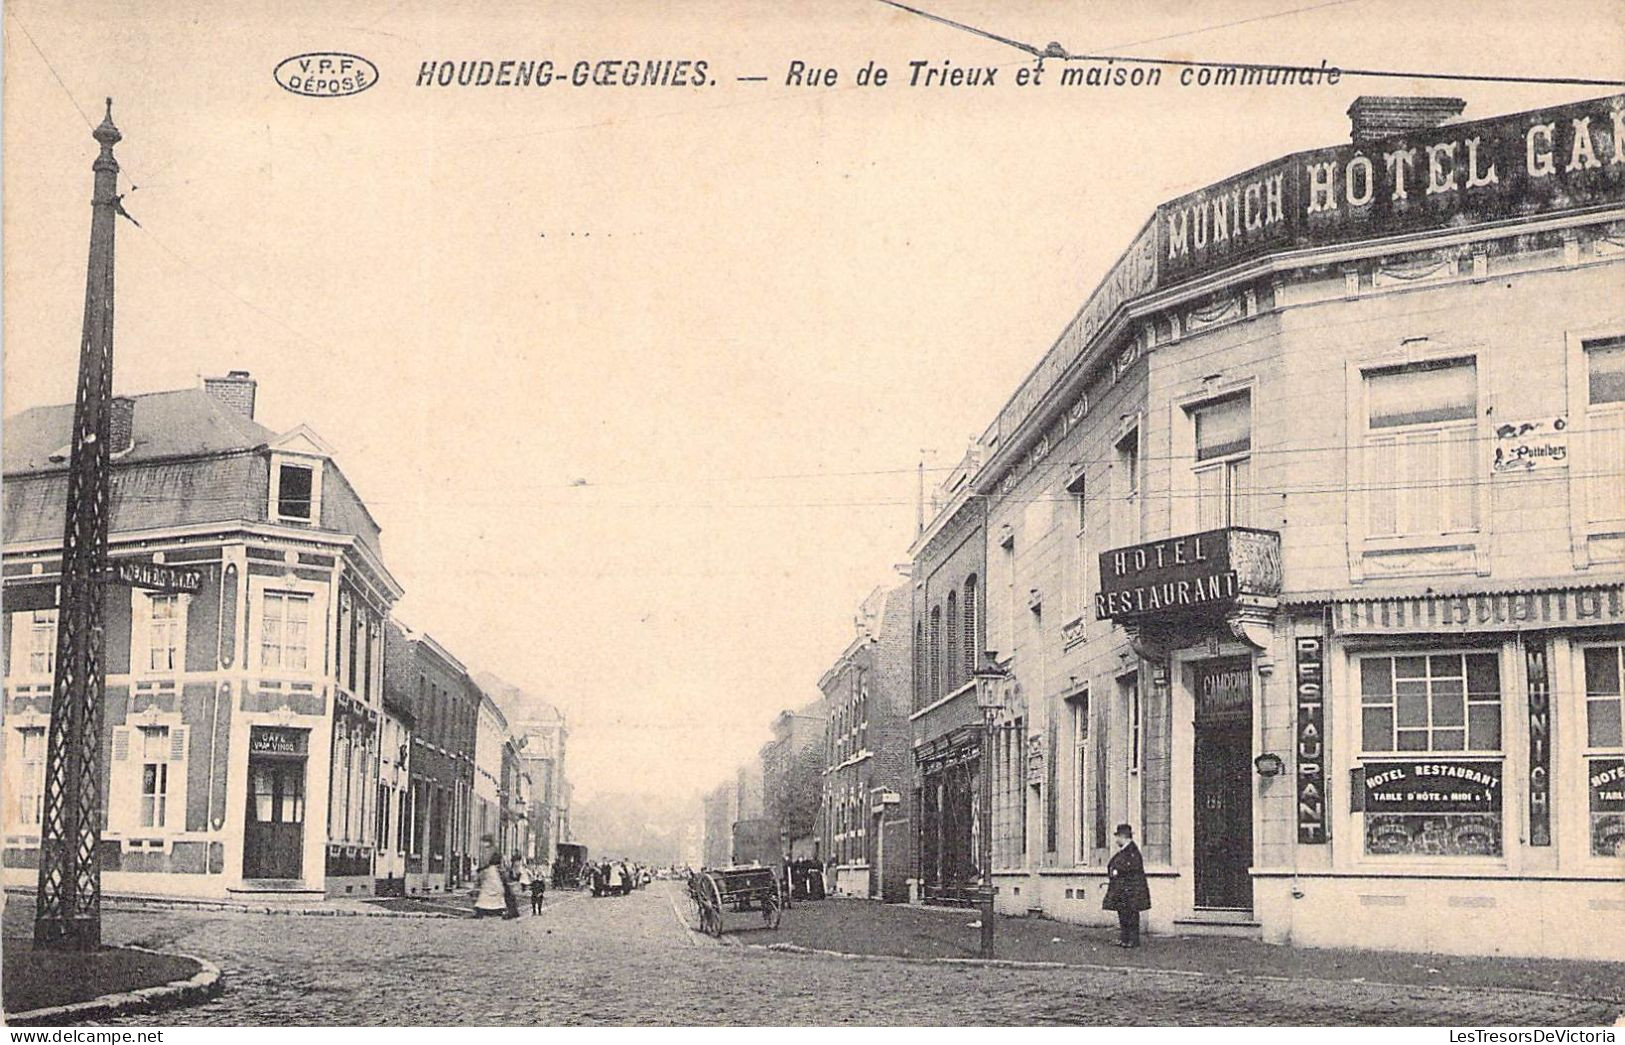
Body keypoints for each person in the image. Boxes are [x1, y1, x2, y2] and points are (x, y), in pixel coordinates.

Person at [1102, 822, 1151, 947]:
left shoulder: (1132, 851)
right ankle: (1125, 938)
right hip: (1123, 890)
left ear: (1123, 837)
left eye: (1117, 836)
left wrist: (1117, 871)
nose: (1116, 840)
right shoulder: (1125, 851)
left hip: (1131, 890)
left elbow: (1131, 868)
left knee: (1131, 914)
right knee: (1123, 913)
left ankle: (1133, 940)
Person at [471, 850, 509, 920]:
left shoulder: (487, 869)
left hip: (488, 888)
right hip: (497, 888)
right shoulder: (499, 869)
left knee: (484, 895)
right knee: (498, 895)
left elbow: (480, 878)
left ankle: (480, 910)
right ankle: (500, 909)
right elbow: (505, 877)